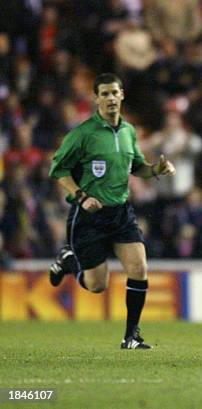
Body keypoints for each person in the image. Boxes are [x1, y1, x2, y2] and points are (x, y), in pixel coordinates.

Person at [48, 73, 176, 349]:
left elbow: (137, 167)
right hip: (89, 216)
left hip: (120, 212)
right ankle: (68, 261)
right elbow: (58, 170)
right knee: (97, 285)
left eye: (114, 93)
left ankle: (131, 336)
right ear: (96, 98)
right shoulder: (82, 134)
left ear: (122, 96)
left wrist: (156, 170)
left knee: (139, 268)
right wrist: (81, 197)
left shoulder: (129, 132)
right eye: (104, 94)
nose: (110, 98)